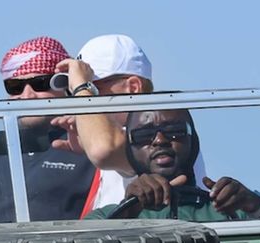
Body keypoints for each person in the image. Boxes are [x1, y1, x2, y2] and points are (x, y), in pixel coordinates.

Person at [0, 36, 116, 226]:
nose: (27, 95)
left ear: (64, 85)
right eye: (16, 87)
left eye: (40, 84)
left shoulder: (91, 147)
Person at [86, 109, 260, 221]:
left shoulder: (232, 211)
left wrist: (255, 204)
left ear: (194, 141)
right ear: (130, 149)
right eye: (144, 135)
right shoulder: (104, 217)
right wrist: (127, 212)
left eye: (174, 130)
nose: (159, 140)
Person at [58, 34, 206, 182]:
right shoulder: (115, 136)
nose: (82, 97)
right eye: (74, 93)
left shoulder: (160, 135)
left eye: (93, 90)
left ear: (133, 88)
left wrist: (81, 87)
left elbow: (104, 150)